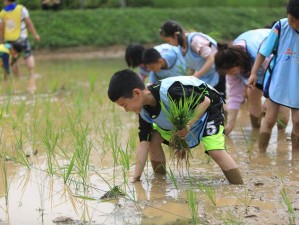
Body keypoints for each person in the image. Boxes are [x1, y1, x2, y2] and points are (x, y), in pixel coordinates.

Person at [108, 69, 244, 185]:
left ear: (137, 93)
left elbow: (205, 101)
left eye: (124, 105)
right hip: (187, 118)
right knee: (153, 138)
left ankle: (239, 188)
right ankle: (160, 181)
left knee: (215, 150)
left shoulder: (171, 91)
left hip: (209, 108)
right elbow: (143, 144)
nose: (126, 110)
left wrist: (188, 125)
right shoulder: (144, 112)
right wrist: (135, 180)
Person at [214, 29, 290, 135]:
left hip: (281, 67)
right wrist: (229, 126)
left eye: (230, 71)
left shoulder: (260, 54)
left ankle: (281, 135)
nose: (230, 75)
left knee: (280, 103)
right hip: (257, 72)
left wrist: (269, 99)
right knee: (252, 92)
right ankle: (256, 132)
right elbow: (234, 97)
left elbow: (280, 77)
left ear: (237, 63)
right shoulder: (232, 70)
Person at [248, 0, 299, 153]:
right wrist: (254, 72)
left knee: (297, 121)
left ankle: (296, 159)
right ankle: (260, 154)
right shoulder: (280, 26)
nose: (293, 24)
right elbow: (264, 51)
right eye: (291, 19)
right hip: (279, 79)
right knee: (269, 120)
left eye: (297, 21)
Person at [159, 20, 226, 99]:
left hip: (218, 74)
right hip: (206, 78)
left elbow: (211, 59)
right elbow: (193, 65)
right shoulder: (181, 48)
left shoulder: (195, 41)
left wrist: (195, 77)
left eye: (168, 41)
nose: (169, 44)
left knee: (220, 105)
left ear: (175, 35)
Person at [0, 0, 40, 93]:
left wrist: (1, 42)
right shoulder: (21, 9)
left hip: (9, 40)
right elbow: (28, 23)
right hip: (22, 38)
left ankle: (18, 78)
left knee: (13, 61)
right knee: (28, 55)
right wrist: (35, 35)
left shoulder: (2, 13)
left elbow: (1, 29)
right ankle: (32, 76)